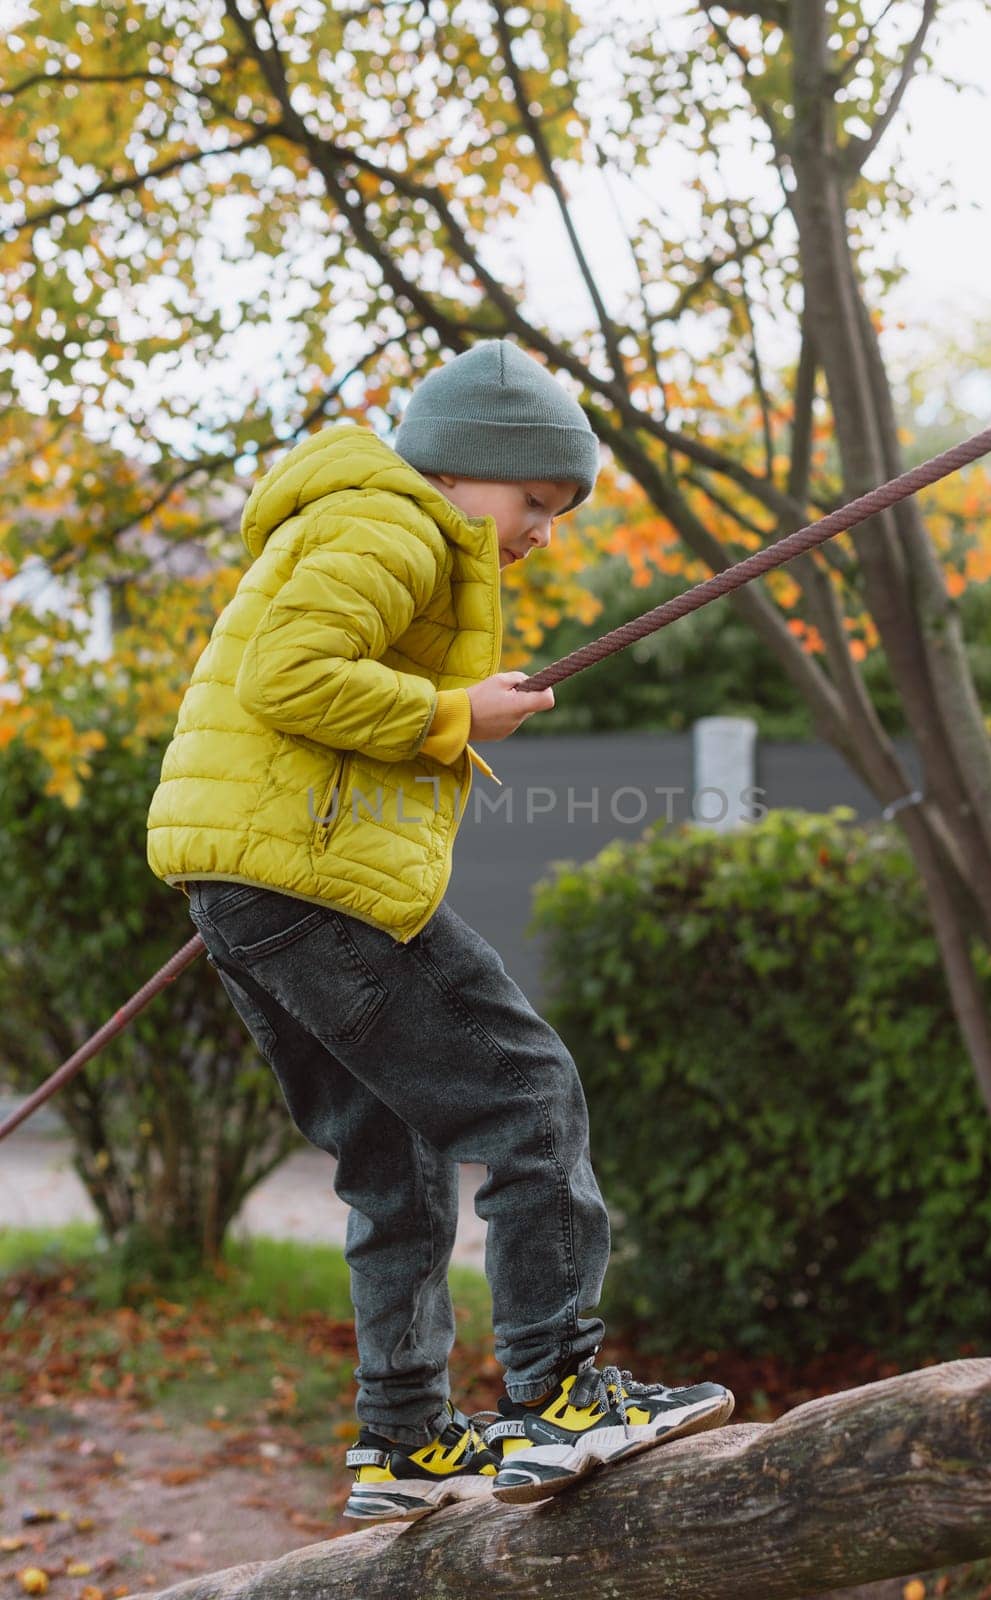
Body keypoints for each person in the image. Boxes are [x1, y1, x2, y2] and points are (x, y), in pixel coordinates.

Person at [146, 339, 734, 1527]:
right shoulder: (396, 523)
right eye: (537, 501)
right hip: (317, 886)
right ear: (468, 471)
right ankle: (562, 1390)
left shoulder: (363, 523)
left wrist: (445, 710)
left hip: (251, 884)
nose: (545, 532)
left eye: (563, 512)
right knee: (527, 1093)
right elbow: (290, 677)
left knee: (395, 1158)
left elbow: (293, 687)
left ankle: (405, 1438)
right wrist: (446, 714)